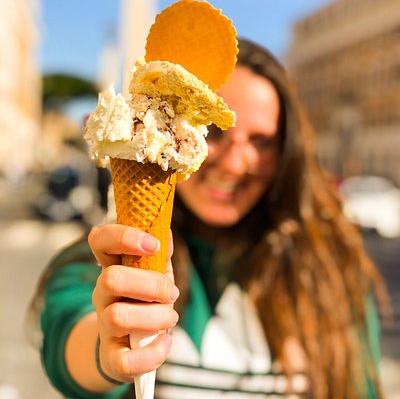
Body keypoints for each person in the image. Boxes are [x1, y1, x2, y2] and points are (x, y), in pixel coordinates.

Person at [29, 38, 389, 399]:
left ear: (286, 154)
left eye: (261, 141)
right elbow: (68, 337)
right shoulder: (110, 256)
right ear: (175, 131)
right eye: (216, 131)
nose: (234, 164)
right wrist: (108, 350)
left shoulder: (331, 270)